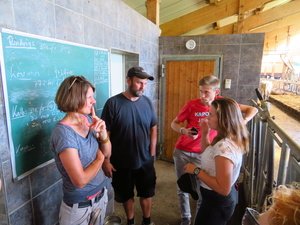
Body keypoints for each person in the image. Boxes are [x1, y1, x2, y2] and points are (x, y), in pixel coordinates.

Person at [170, 75, 258, 225]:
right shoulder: (220, 140)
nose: (202, 96)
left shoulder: (224, 144)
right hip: (188, 152)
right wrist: (196, 132)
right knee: (185, 186)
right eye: (200, 92)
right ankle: (187, 218)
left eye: (210, 115)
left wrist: (242, 121)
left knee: (200, 192)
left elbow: (222, 188)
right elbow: (176, 124)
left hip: (217, 199)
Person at [51, 75, 111, 225]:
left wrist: (103, 136)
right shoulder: (63, 133)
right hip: (79, 206)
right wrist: (100, 158)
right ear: (75, 98)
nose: (94, 101)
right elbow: (80, 181)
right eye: (89, 97)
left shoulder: (89, 120)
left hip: (100, 195)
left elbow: (108, 152)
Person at [101, 66, 157, 225]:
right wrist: (106, 160)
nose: (142, 87)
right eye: (139, 82)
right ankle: (130, 222)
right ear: (128, 81)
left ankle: (147, 221)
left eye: (145, 84)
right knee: (126, 195)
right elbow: (105, 135)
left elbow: (153, 127)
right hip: (121, 162)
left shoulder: (147, 102)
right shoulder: (113, 104)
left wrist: (151, 154)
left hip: (145, 160)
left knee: (147, 193)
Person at [183, 97, 250, 225]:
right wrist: (205, 133)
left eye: (211, 114)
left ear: (223, 118)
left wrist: (196, 170)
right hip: (213, 199)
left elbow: (223, 188)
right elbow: (207, 152)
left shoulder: (224, 147)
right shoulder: (226, 137)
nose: (207, 117)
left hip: (217, 202)